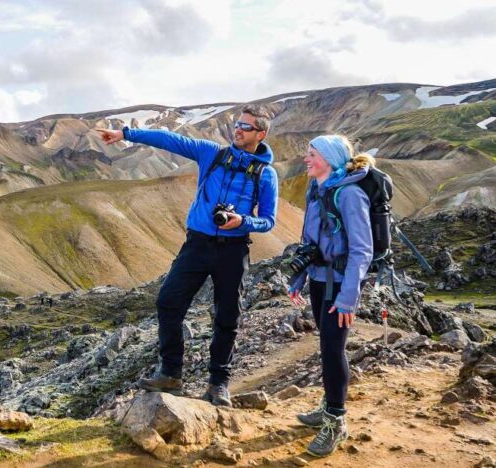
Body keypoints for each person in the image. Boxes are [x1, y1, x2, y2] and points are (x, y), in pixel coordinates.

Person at [95, 106, 278, 406]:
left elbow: (269, 219)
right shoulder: (213, 154)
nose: (238, 130)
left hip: (233, 250)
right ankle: (170, 373)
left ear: (261, 133)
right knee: (168, 301)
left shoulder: (266, 174)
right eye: (237, 124)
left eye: (245, 127)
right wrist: (125, 134)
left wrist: (243, 222)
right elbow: (170, 140)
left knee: (227, 316)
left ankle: (219, 383)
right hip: (197, 245)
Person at [287, 135, 374, 457]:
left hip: (340, 284)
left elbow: (362, 251)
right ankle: (327, 408)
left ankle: (336, 421)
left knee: (332, 349)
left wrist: (348, 297)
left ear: (329, 157)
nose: (305, 159)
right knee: (326, 343)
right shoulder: (317, 191)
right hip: (319, 279)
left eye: (311, 154)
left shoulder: (349, 195)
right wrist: (299, 277)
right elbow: (308, 241)